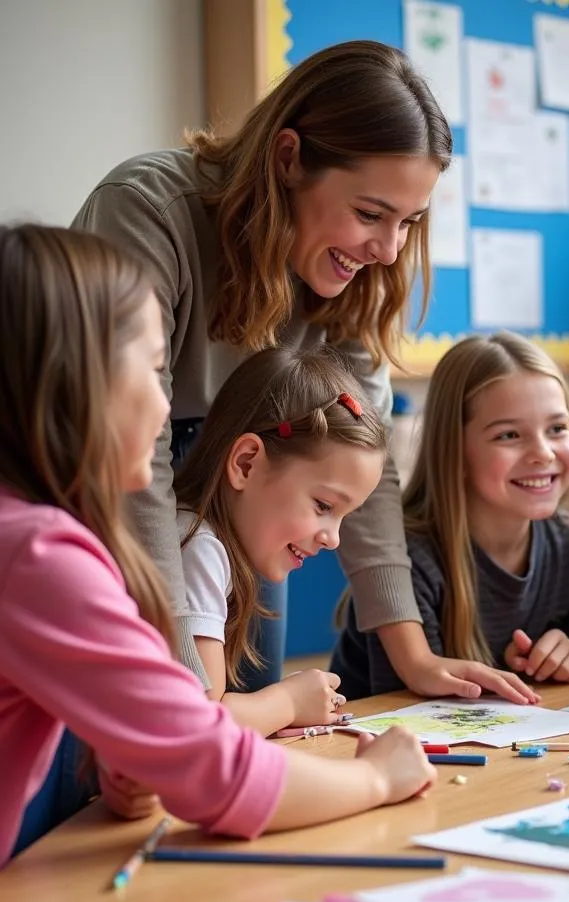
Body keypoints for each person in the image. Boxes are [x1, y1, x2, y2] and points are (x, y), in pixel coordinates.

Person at [0, 223, 435, 866]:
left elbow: (170, 746)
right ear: (73, 384)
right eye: (155, 370)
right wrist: (379, 779)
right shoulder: (36, 555)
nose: (168, 404)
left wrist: (143, 760)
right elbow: (218, 770)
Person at [332, 333, 569, 699]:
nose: (543, 453)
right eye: (509, 435)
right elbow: (407, 713)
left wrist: (566, 660)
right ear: (455, 451)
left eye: (557, 429)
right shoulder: (406, 565)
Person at [175, 347, 387, 736]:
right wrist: (289, 702)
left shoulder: (214, 544)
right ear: (246, 463)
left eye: (344, 516)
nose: (334, 539)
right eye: (324, 505)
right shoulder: (198, 548)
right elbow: (200, 723)